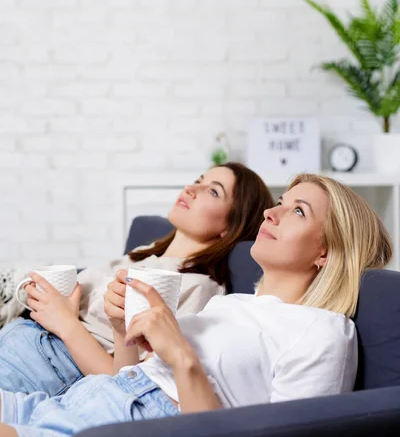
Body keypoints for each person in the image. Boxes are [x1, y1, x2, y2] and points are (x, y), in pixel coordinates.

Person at [0, 173, 392, 437]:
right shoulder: (234, 305)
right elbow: (127, 375)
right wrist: (124, 330)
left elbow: (270, 430)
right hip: (87, 398)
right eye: (280, 202)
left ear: (326, 251)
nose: (272, 212)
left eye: (298, 211)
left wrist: (182, 356)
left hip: (130, 420)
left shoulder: (323, 331)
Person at [0, 163, 273, 397]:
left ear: (231, 226)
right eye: (198, 181)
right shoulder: (141, 255)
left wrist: (66, 323)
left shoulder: (198, 287)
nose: (192, 189)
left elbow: (128, 382)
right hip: (23, 336)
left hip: (51, 363)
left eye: (213, 191)